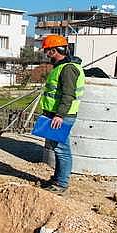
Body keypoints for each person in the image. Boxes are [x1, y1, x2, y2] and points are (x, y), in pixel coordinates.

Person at [39, 35, 85, 195]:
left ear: (53, 50)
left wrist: (59, 115)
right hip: (55, 114)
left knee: (61, 149)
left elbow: (68, 94)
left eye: (47, 51)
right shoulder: (60, 67)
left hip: (62, 115)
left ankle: (62, 183)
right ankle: (58, 179)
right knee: (57, 148)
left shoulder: (68, 69)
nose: (46, 55)